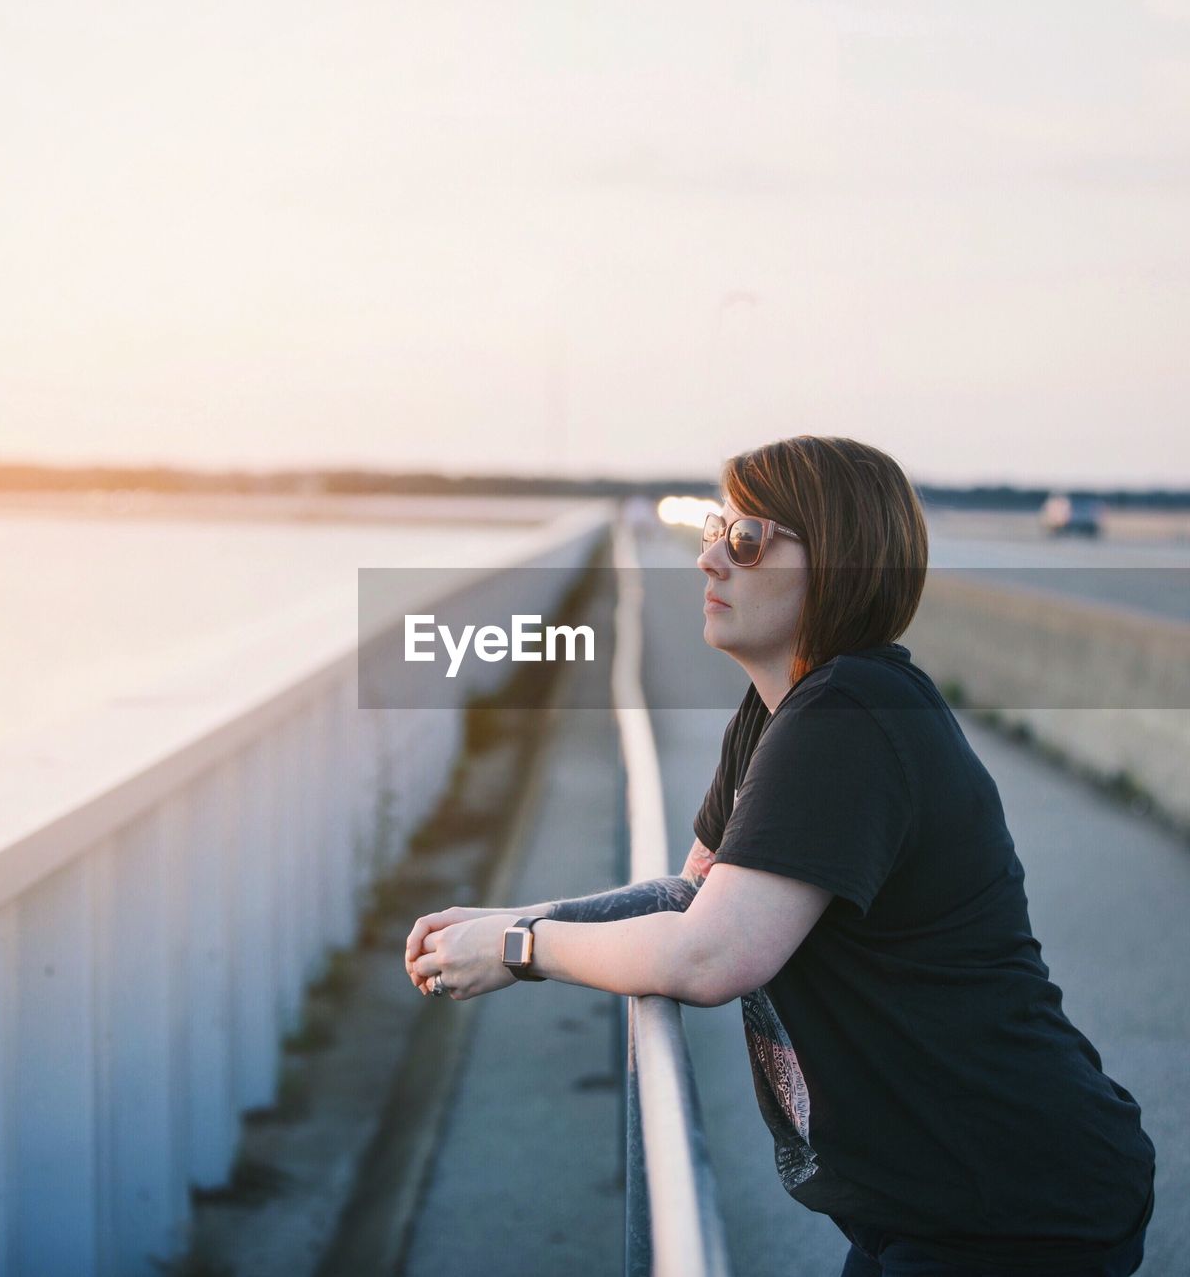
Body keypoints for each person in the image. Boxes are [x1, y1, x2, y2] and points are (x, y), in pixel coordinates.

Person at [404, 436, 1156, 1276]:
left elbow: (710, 955)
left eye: (748, 539)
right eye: (713, 532)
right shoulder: (779, 714)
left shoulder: (851, 716)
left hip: (1014, 1208)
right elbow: (692, 897)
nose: (712, 561)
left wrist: (521, 949)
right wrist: (522, 918)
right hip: (930, 1204)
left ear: (836, 563)